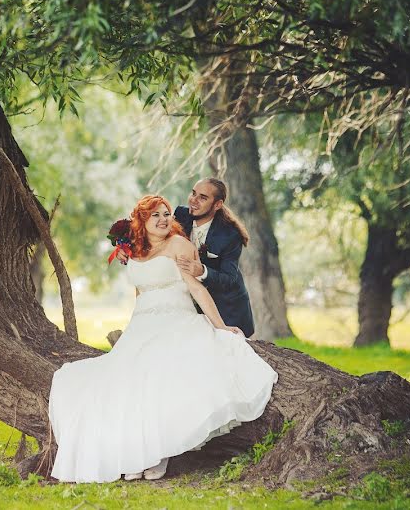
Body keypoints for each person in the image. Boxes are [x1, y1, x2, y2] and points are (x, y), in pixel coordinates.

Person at [48, 195, 277, 483]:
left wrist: (220, 326)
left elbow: (196, 288)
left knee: (159, 375)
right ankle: (134, 454)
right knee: (122, 382)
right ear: (142, 221)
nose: (163, 219)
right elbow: (140, 292)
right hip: (143, 324)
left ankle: (159, 453)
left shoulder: (180, 245)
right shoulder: (133, 250)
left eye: (166, 213)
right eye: (155, 215)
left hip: (177, 321)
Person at [117, 178, 255, 336]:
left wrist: (202, 271)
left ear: (217, 204)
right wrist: (124, 247)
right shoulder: (181, 215)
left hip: (226, 306)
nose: (194, 201)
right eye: (193, 193)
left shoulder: (230, 235)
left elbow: (229, 278)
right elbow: (148, 230)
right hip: (183, 307)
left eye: (202, 197)